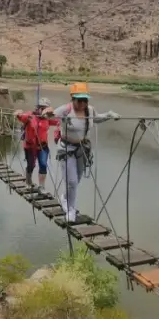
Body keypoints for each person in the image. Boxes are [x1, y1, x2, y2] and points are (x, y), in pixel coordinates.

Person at [43, 82, 120, 223]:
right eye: (80, 100)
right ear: (73, 98)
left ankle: (65, 198)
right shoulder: (66, 110)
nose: (83, 103)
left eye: (85, 100)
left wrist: (109, 114)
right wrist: (46, 113)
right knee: (71, 181)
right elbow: (50, 116)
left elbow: (97, 119)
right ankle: (71, 210)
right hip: (66, 149)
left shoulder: (89, 110)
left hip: (82, 150)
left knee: (76, 180)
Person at [14, 98, 60, 189]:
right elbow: (21, 117)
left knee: (43, 164)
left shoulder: (47, 119)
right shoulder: (30, 115)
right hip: (30, 146)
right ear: (38, 108)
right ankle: (28, 180)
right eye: (42, 108)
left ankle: (41, 187)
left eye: (45, 109)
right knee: (31, 165)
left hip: (42, 147)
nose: (44, 111)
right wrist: (18, 113)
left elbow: (59, 120)